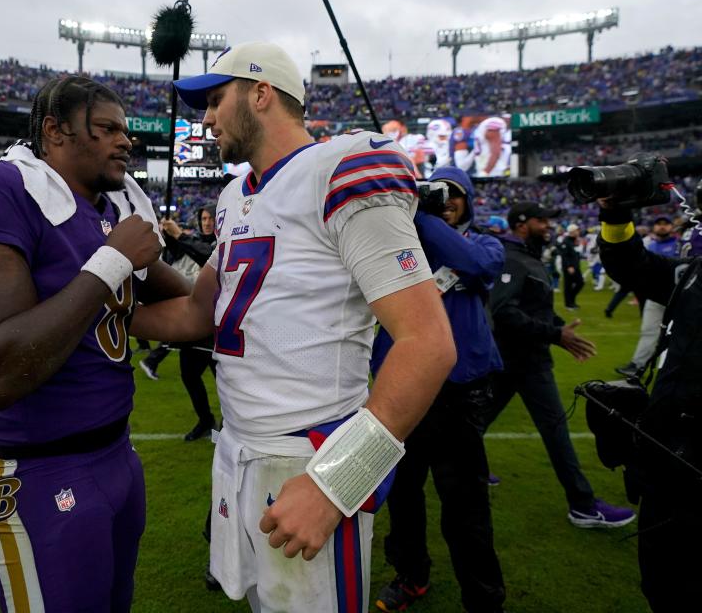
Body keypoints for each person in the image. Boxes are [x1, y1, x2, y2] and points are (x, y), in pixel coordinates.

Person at [130, 42, 457, 613]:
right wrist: (96, 308)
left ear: (260, 94)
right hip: (239, 446)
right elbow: (196, 314)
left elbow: (428, 343)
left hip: (309, 457)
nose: (205, 118)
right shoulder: (235, 195)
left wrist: (337, 481)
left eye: (215, 100)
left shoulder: (339, 169)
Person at [0, 75, 188, 612]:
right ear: (54, 131)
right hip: (36, 472)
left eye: (126, 131)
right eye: (108, 128)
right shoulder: (0, 189)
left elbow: (190, 307)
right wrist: (112, 260)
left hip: (117, 456)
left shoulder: (111, 212)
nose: (126, 141)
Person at [371, 167, 506, 613]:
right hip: (403, 389)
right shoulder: (400, 249)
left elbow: (478, 265)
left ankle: (483, 598)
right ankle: (411, 576)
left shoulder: (485, 244)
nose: (445, 200)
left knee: (465, 505)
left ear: (469, 200)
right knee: (404, 497)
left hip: (457, 395)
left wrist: (421, 213)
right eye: (436, 193)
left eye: (455, 194)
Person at [485, 202, 635, 527]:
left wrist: (559, 330)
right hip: (522, 360)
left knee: (475, 422)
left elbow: (533, 309)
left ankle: (466, 471)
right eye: (542, 220)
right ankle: (582, 505)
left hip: (518, 359)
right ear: (522, 224)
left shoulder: (527, 257)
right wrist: (555, 334)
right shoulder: (512, 258)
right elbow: (502, 312)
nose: (548, 226)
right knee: (556, 432)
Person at [598, 191, 702, 612]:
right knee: (661, 582)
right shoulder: (693, 273)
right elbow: (630, 264)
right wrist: (616, 210)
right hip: (668, 454)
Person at [160, 207, 220, 441]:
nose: (207, 222)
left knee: (226, 383)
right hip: (193, 323)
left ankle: (228, 428)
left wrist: (180, 236)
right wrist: (165, 234)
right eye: (203, 218)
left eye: (211, 218)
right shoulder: (192, 239)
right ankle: (205, 420)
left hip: (217, 326)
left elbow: (206, 256)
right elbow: (171, 254)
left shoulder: (224, 241)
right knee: (189, 375)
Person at [615, 215, 681, 377]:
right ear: (653, 228)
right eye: (659, 224)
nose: (662, 227)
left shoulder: (679, 245)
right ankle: (637, 365)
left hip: (679, 297)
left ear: (672, 227)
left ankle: (674, 369)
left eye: (666, 224)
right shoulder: (649, 246)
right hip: (656, 295)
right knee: (648, 331)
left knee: (680, 335)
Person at [555, 223, 584, 310]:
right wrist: (569, 266)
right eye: (577, 230)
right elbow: (564, 255)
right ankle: (568, 304)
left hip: (575, 266)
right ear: (572, 231)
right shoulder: (566, 241)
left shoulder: (574, 240)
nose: (578, 231)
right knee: (568, 285)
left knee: (580, 283)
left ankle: (571, 301)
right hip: (569, 267)